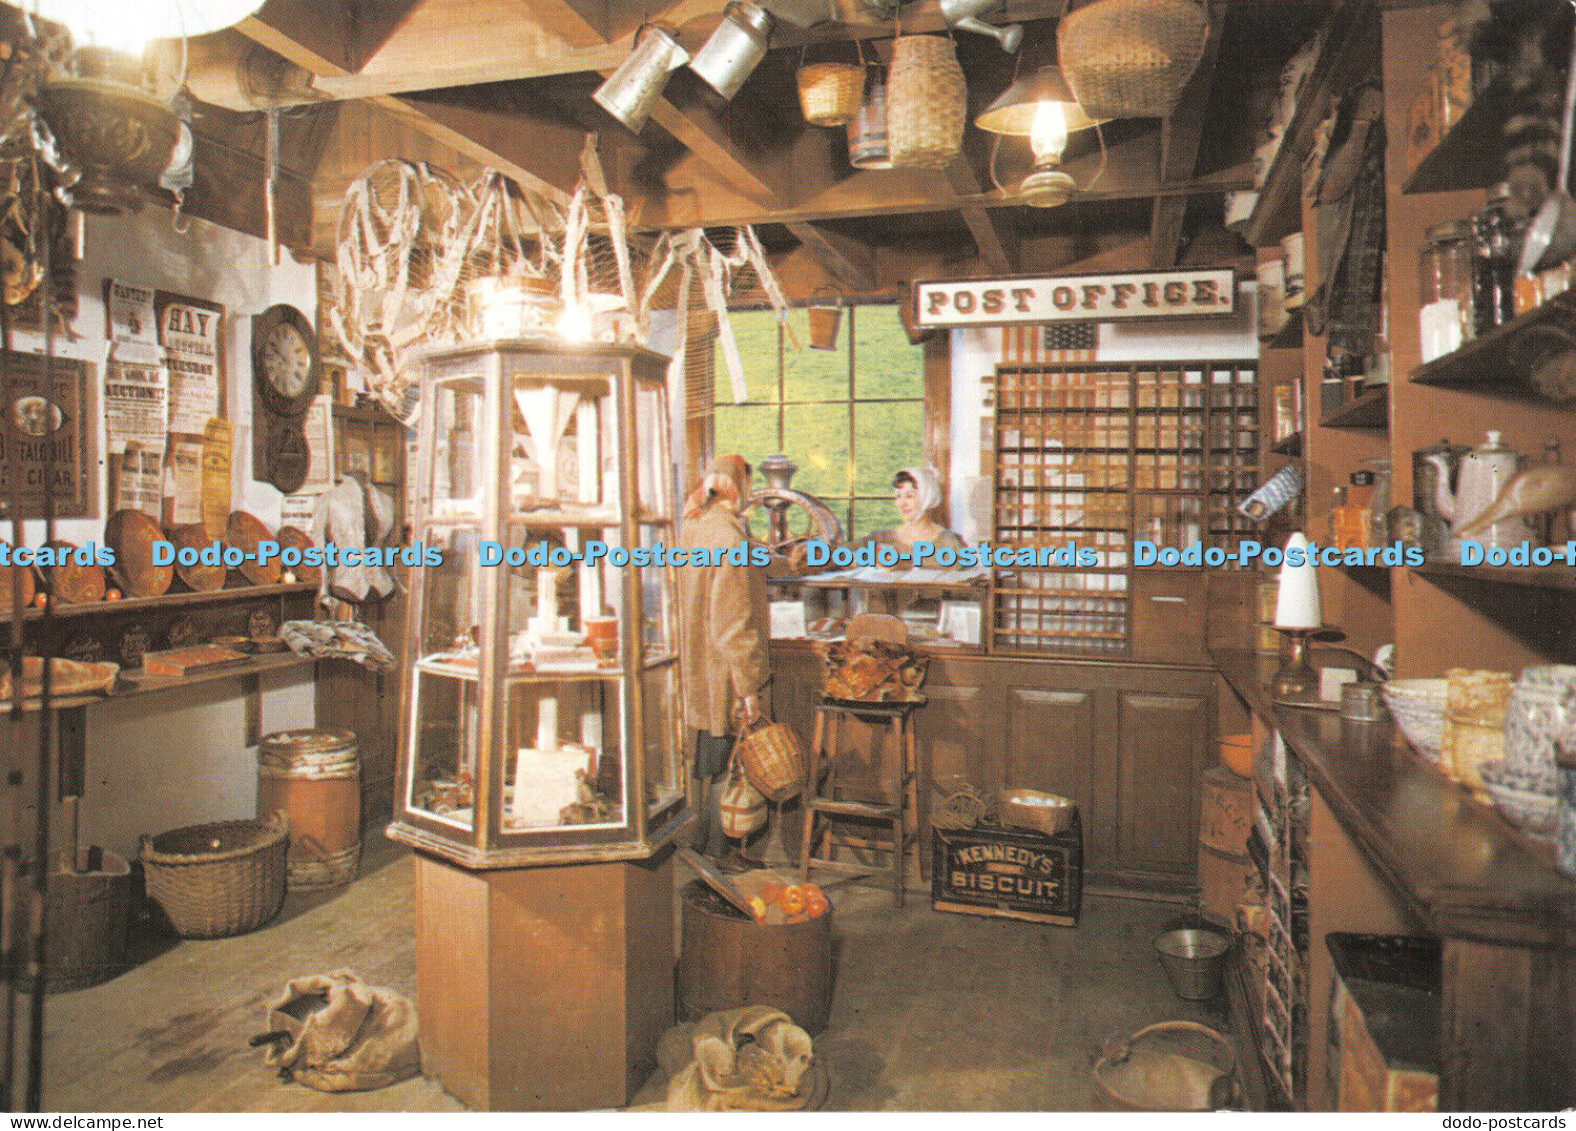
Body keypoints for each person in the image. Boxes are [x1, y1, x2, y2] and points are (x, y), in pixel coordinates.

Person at [677, 454, 772, 866]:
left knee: (705, 754)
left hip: (695, 662)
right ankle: (719, 852)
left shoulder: (692, 527)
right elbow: (734, 621)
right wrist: (748, 686)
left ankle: (699, 844)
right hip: (724, 667)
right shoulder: (730, 538)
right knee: (726, 758)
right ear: (738, 488)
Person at [871, 467, 965, 560]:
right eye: (898, 496)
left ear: (926, 498)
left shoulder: (950, 542)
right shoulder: (888, 539)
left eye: (909, 496)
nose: (901, 503)